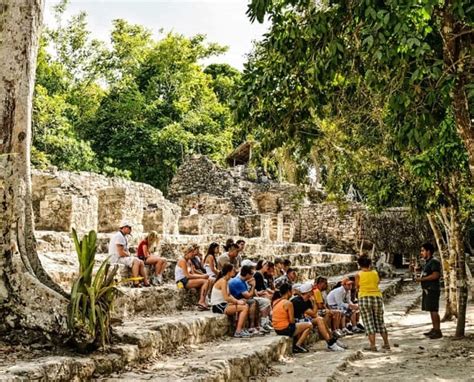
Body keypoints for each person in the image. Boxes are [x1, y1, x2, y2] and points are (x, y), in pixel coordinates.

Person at [291, 282, 345, 351]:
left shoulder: (307, 300)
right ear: (309, 292)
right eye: (312, 291)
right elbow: (313, 313)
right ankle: (331, 343)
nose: (314, 292)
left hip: (302, 319)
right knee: (319, 319)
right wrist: (314, 302)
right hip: (296, 321)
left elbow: (314, 314)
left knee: (320, 319)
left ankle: (332, 340)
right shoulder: (298, 301)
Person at [355, 256, 390, 352]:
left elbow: (357, 286)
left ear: (359, 264)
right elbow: (377, 282)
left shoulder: (358, 274)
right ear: (369, 264)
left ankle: (373, 345)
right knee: (380, 321)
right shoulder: (375, 273)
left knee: (368, 322)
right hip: (377, 297)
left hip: (364, 298)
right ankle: (386, 343)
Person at [210, 263, 251, 338]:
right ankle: (238, 331)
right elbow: (226, 297)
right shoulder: (223, 281)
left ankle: (242, 329)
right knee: (244, 308)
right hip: (219, 306)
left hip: (223, 304)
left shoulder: (226, 280)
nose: (235, 271)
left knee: (245, 304)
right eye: (233, 270)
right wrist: (237, 302)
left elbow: (229, 295)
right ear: (228, 272)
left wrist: (238, 301)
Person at [272, 283, 312, 353]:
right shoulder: (288, 303)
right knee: (309, 325)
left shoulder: (275, 301)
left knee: (299, 324)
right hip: (285, 329)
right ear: (288, 292)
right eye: (291, 291)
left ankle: (298, 344)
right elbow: (291, 321)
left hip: (277, 329)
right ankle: (297, 345)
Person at [109, 220, 150, 287]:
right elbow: (121, 253)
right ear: (124, 228)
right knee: (136, 261)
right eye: (129, 228)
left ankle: (145, 281)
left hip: (121, 257)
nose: (131, 229)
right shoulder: (119, 236)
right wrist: (129, 255)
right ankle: (136, 282)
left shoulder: (123, 236)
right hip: (116, 258)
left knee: (141, 262)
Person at [416, 242, 442, 339]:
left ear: (428, 251)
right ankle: (434, 329)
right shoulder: (428, 262)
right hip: (427, 289)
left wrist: (422, 279)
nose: (421, 252)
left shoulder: (434, 261)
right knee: (431, 309)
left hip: (432, 289)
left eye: (423, 250)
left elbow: (436, 275)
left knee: (434, 310)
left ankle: (437, 330)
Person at [175, 244, 211, 311]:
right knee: (205, 281)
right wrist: (202, 276)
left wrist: (203, 275)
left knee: (207, 280)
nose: (193, 254)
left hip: (186, 279)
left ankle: (204, 300)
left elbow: (193, 273)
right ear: (187, 252)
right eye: (191, 252)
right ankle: (201, 302)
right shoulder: (182, 261)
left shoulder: (189, 261)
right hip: (180, 282)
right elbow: (187, 275)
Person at [228, 265, 262, 335]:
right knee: (253, 302)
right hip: (234, 300)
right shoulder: (239, 282)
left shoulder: (243, 281)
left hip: (239, 298)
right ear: (247, 274)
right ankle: (251, 326)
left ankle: (257, 325)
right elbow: (248, 296)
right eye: (251, 274)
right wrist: (253, 286)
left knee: (256, 302)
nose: (252, 276)